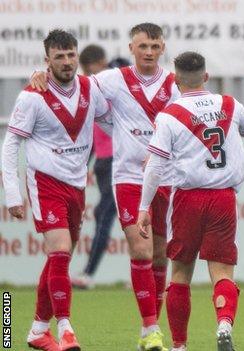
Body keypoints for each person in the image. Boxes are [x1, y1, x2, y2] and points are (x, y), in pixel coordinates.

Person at [31, 23, 179, 350]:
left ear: (163, 47)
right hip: (127, 177)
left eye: (155, 46)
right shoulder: (112, 80)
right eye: (143, 47)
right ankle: (151, 328)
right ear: (131, 48)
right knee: (139, 249)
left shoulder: (173, 84)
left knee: (159, 256)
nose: (149, 52)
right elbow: (70, 84)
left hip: (166, 179)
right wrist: (39, 74)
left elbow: (186, 123)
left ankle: (148, 334)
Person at [137, 51, 244, 351]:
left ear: (175, 80)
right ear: (206, 76)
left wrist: (143, 207)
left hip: (188, 199)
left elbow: (154, 165)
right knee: (222, 272)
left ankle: (179, 346)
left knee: (180, 273)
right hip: (223, 198)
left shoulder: (169, 115)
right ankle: (224, 323)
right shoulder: (229, 104)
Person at [2, 29, 110, 351]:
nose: (66, 62)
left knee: (57, 259)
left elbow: (114, 120)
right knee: (61, 249)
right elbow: (11, 145)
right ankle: (65, 329)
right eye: (59, 56)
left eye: (71, 55)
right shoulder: (32, 96)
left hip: (76, 184)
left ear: (77, 56)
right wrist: (11, 193)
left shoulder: (92, 88)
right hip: (44, 181)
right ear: (46, 60)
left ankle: (37, 330)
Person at [71, 45, 124, 290]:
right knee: (104, 214)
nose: (93, 77)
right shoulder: (92, 91)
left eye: (94, 70)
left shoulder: (116, 79)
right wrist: (82, 165)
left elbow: (124, 67)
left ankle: (89, 273)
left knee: (108, 215)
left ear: (102, 63)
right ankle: (90, 273)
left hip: (122, 159)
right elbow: (92, 135)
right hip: (105, 162)